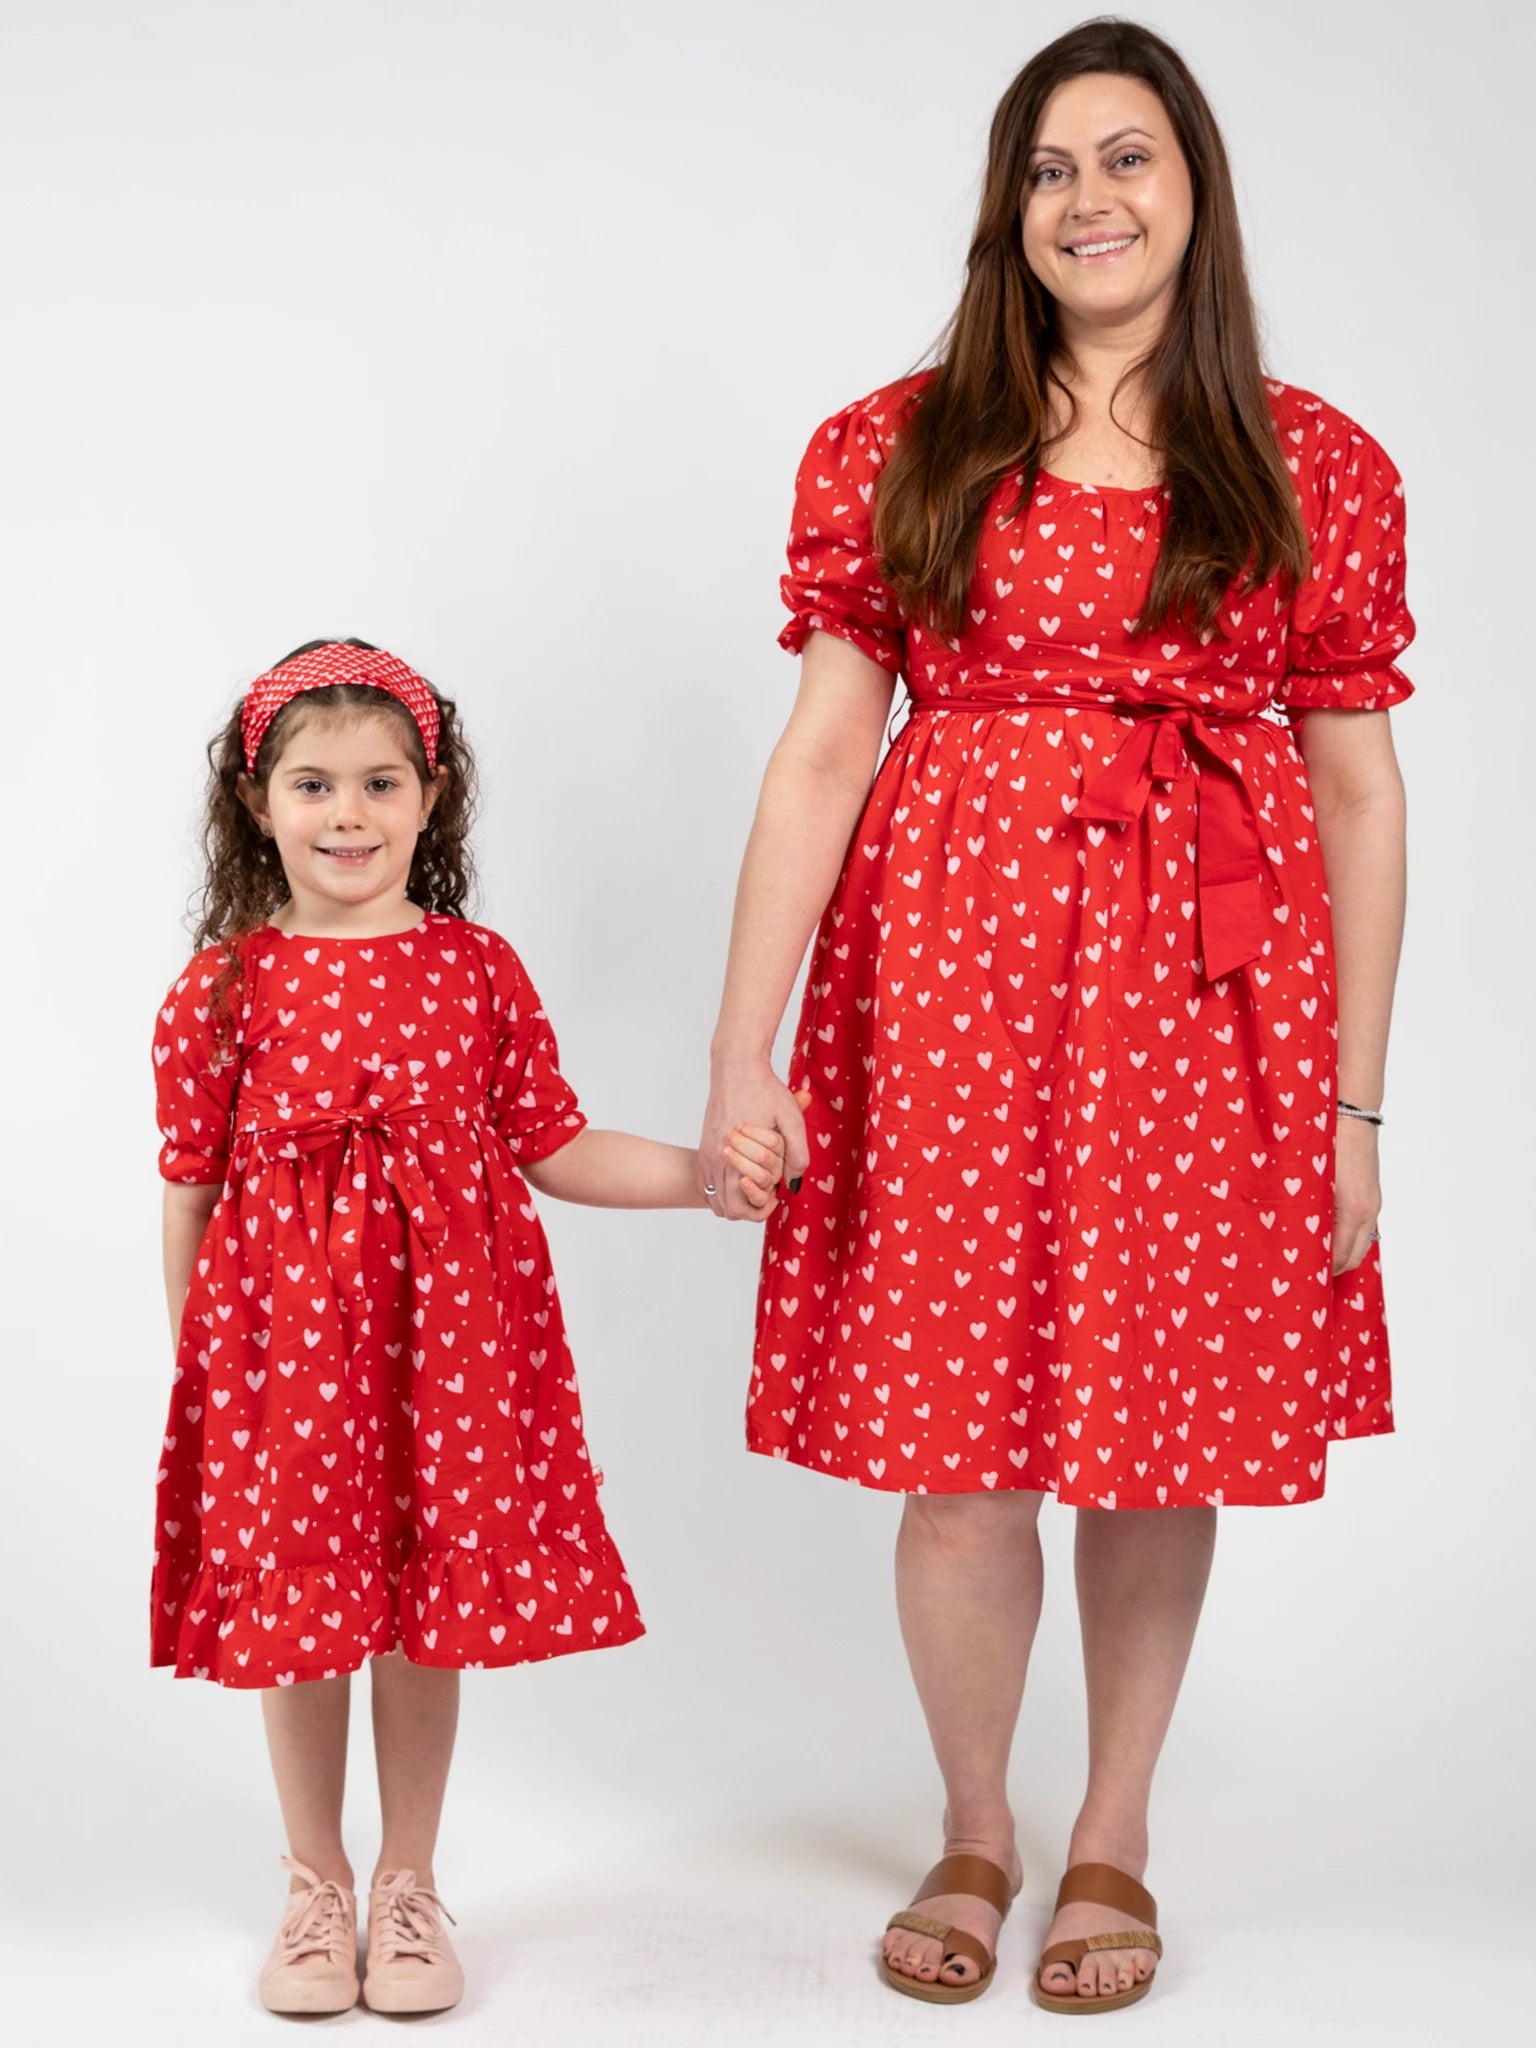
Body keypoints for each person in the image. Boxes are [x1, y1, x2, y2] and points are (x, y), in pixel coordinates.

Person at [699, 18, 1411, 2016]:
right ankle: (974, 1823)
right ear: (1009, 210)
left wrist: (1356, 1111)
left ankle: (1113, 1831)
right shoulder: (899, 442)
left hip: (1208, 1002)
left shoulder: (1312, 460)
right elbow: (824, 750)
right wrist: (745, 1050)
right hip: (949, 989)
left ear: (1195, 190)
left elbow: (1359, 795)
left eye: (1127, 157)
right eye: (1047, 168)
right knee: (959, 1446)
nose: (1088, 200)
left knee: (1158, 1439)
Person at [152, 639, 786, 2017]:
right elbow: (191, 1194)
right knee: (303, 1612)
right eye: (314, 785)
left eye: (382, 783)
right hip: (288, 1372)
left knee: (419, 1613)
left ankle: (408, 1883)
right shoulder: (222, 990)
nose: (349, 814)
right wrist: (208, 1375)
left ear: (432, 798)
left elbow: (554, 1146)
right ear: (256, 802)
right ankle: (315, 1885)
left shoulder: (474, 970)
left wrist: (701, 1175)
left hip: (446, 1358)